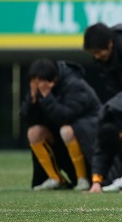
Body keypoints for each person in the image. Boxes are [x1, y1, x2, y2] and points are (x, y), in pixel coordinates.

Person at [20, 59, 101, 191]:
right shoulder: (39, 89)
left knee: (66, 130)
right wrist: (32, 100)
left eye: (41, 82)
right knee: (34, 132)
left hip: (88, 135)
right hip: (61, 141)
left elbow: (65, 116)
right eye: (35, 82)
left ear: (53, 79)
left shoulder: (74, 85)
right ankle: (56, 179)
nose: (39, 85)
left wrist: (47, 97)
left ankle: (83, 179)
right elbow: (26, 118)